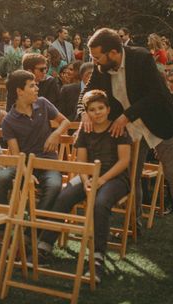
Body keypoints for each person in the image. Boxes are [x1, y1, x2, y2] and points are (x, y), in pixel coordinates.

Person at [81, 28, 173, 248]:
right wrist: (84, 111)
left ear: (113, 52)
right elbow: (86, 92)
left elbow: (156, 94)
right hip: (131, 130)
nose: (94, 62)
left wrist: (126, 116)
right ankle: (133, 226)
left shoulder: (141, 58)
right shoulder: (101, 68)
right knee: (130, 176)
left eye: (97, 56)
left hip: (161, 122)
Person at [38, 90, 131, 284]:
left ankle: (97, 257)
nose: (97, 113)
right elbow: (81, 161)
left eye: (100, 108)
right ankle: (44, 246)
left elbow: (124, 161)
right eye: (92, 110)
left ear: (108, 109)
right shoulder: (85, 131)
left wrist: (101, 180)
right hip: (87, 175)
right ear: (87, 112)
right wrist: (86, 178)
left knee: (100, 203)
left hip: (114, 178)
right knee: (63, 196)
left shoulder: (118, 130)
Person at [0, 70, 68, 250]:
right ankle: (0, 233)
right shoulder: (9, 120)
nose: (36, 88)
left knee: (54, 186)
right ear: (19, 91)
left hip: (48, 162)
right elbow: (17, 155)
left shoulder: (43, 104)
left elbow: (64, 121)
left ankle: (29, 234)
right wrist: (26, 173)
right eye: (32, 85)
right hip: (24, 164)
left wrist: (55, 134)